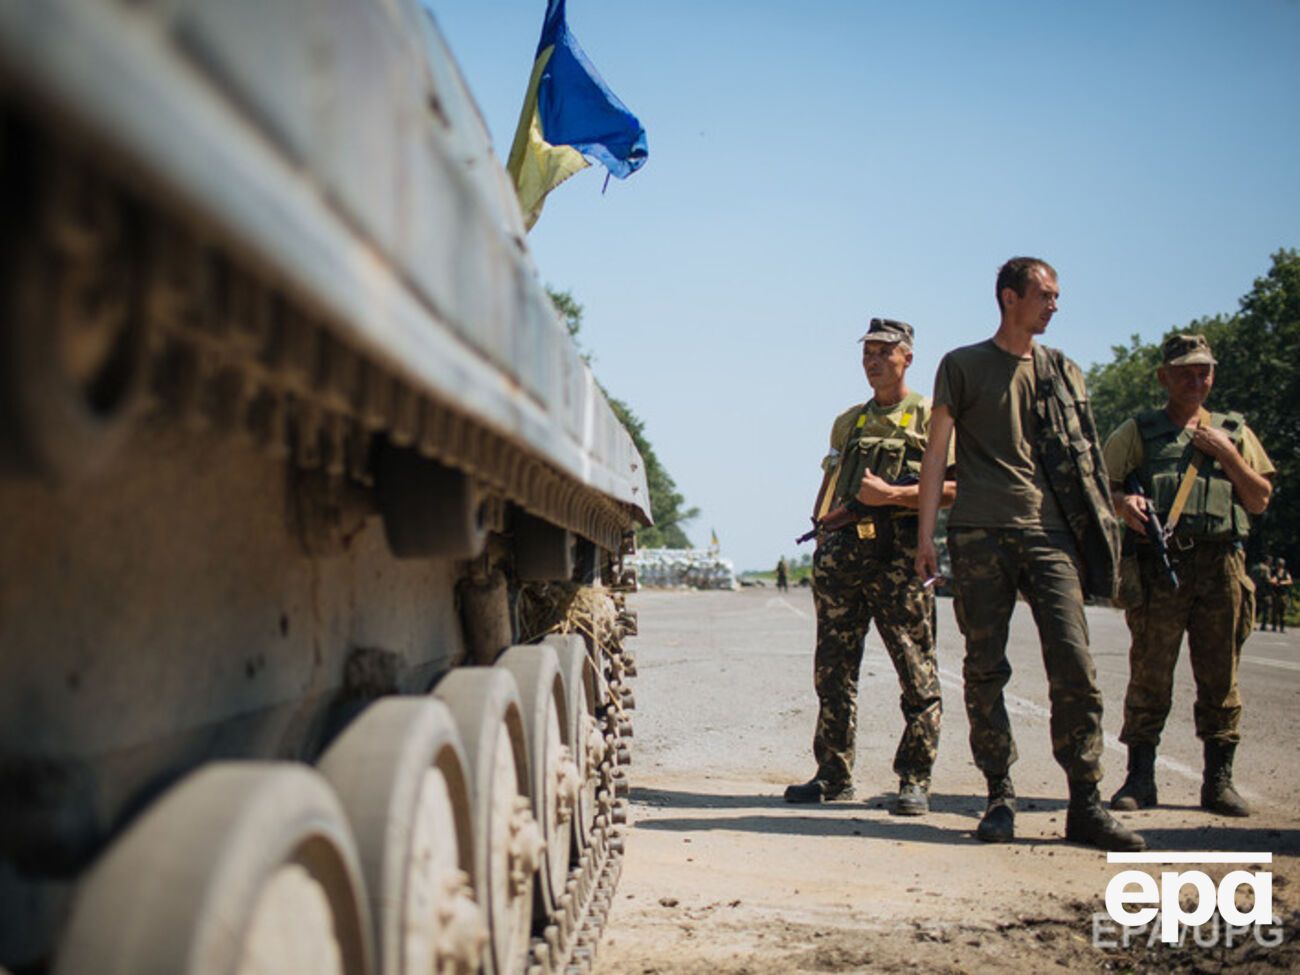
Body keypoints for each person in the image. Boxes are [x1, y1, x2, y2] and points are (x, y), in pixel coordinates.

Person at [915, 256, 1144, 851]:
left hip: (1052, 534)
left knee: (1074, 662)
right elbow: (936, 455)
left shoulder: (1063, 371)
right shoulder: (962, 365)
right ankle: (999, 795)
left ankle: (1085, 802)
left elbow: (1087, 460)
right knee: (984, 667)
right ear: (1009, 296)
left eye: (1057, 295)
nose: (1054, 304)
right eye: (1044, 293)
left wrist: (1105, 528)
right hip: (978, 533)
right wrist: (925, 536)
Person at [785, 318, 955, 815]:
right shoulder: (849, 421)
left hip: (900, 557)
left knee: (916, 671)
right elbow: (834, 482)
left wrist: (894, 496)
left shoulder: (931, 416)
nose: (873, 361)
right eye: (867, 353)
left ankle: (915, 779)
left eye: (884, 352)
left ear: (907, 357)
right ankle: (833, 775)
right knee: (833, 672)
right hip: (843, 557)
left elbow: (955, 488)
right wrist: (821, 530)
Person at [1103, 334, 1274, 817]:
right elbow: (1099, 487)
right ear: (1164, 377)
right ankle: (1140, 777)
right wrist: (1123, 503)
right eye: (1184, 371)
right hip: (1162, 567)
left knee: (1221, 677)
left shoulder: (1234, 432)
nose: (1195, 379)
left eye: (1203, 371)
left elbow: (1259, 499)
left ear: (1213, 376)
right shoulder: (1140, 430)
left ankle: (1218, 781)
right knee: (1150, 675)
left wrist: (1226, 453)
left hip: (1222, 568)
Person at [1270, 558, 1292, 633]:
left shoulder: (1286, 572)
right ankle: (1274, 626)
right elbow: (1272, 580)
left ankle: (1282, 627)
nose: (1280, 566)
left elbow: (1290, 581)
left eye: (1281, 564)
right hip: (1276, 594)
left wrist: (1282, 582)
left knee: (1283, 611)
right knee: (1274, 611)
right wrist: (1275, 580)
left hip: (1283, 594)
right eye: (1279, 564)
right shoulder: (1274, 571)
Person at [1252, 556, 1274, 630]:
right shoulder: (1266, 568)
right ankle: (1263, 625)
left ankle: (1252, 623)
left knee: (1255, 608)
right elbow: (1267, 580)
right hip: (1264, 591)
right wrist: (1274, 581)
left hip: (1254, 590)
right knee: (1267, 607)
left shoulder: (1254, 568)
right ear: (1267, 560)